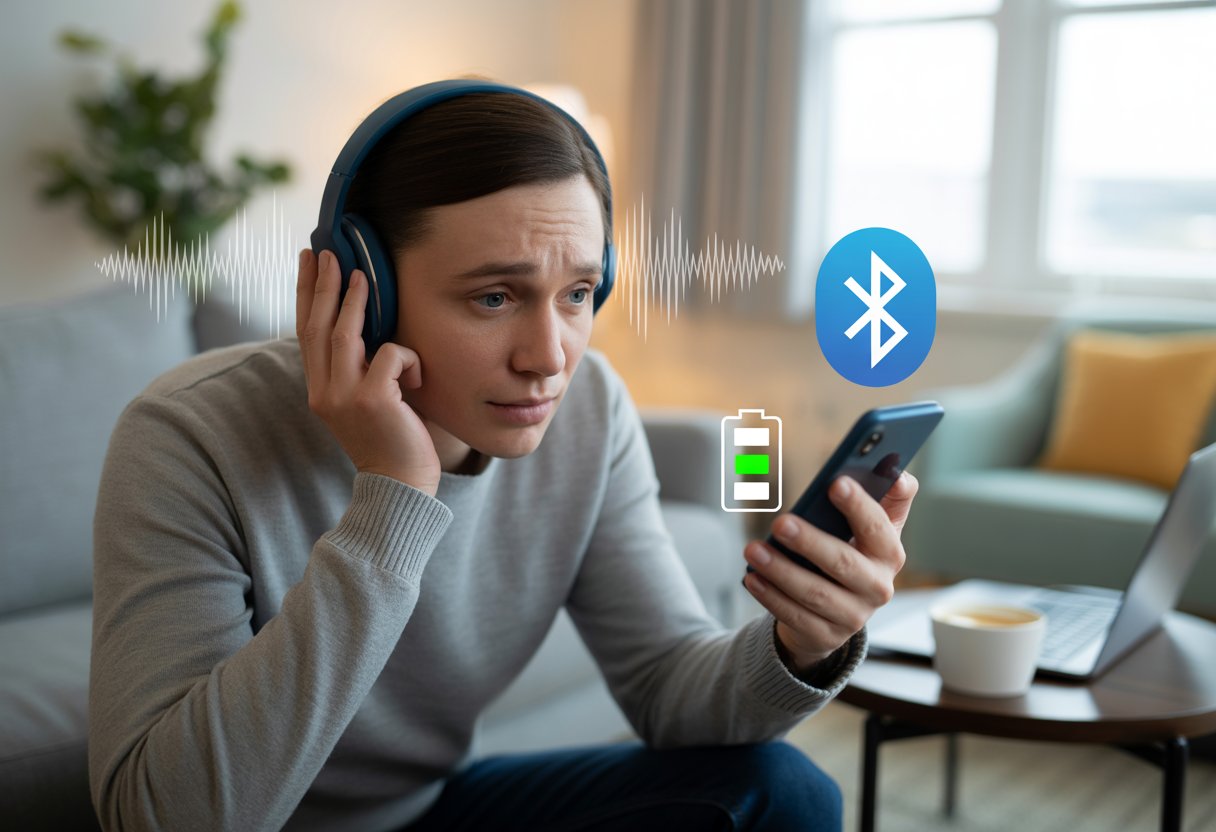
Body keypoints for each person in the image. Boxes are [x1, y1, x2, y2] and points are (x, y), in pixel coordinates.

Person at [88, 80, 918, 832]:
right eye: (494, 296)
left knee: (786, 792)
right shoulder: (188, 435)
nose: (550, 357)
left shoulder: (589, 409)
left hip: (433, 812)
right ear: (361, 287)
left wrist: (803, 644)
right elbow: (164, 818)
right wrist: (392, 498)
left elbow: (670, 690)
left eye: (578, 295)